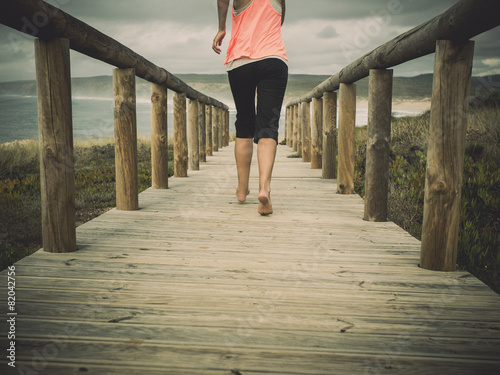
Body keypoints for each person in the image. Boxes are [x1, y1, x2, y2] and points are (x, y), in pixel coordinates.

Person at [212, 0, 288, 216]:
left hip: (241, 62)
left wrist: (221, 28)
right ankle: (264, 188)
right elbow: (279, 19)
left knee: (244, 122)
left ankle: (242, 189)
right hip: (273, 60)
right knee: (268, 126)